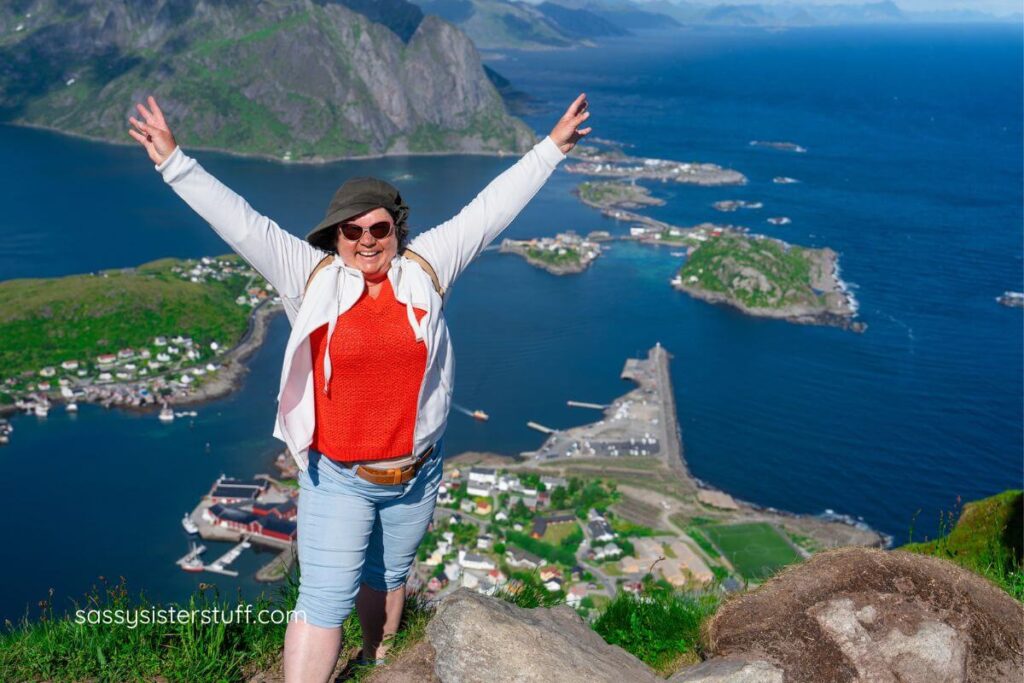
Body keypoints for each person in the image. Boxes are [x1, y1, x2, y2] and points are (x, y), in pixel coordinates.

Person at [128, 93, 591, 681]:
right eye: (351, 231)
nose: (366, 240)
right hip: (337, 477)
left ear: (397, 230)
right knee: (322, 603)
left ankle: (377, 663)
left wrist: (550, 149)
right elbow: (241, 221)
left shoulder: (426, 268)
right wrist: (174, 162)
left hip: (415, 473)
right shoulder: (310, 276)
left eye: (379, 227)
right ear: (335, 236)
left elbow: (489, 210)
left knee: (388, 579)